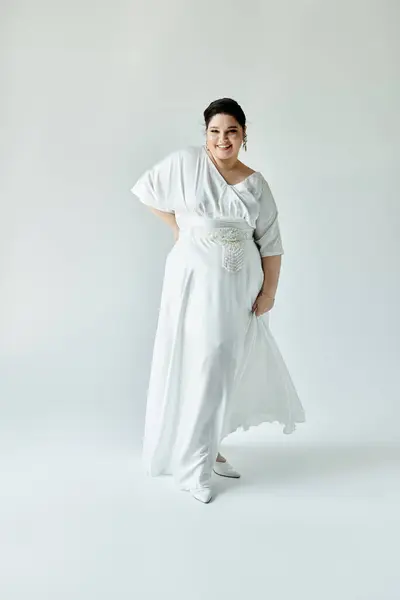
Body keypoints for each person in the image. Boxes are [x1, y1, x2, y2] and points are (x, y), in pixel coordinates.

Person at [130, 97, 305, 504]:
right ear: (205, 134)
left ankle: (208, 445)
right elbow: (146, 191)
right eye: (214, 131)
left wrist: (269, 291)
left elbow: (272, 243)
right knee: (201, 361)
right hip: (192, 283)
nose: (222, 139)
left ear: (244, 135)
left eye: (231, 131)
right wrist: (182, 229)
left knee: (226, 363)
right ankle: (193, 466)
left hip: (240, 285)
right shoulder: (186, 164)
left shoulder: (256, 182)